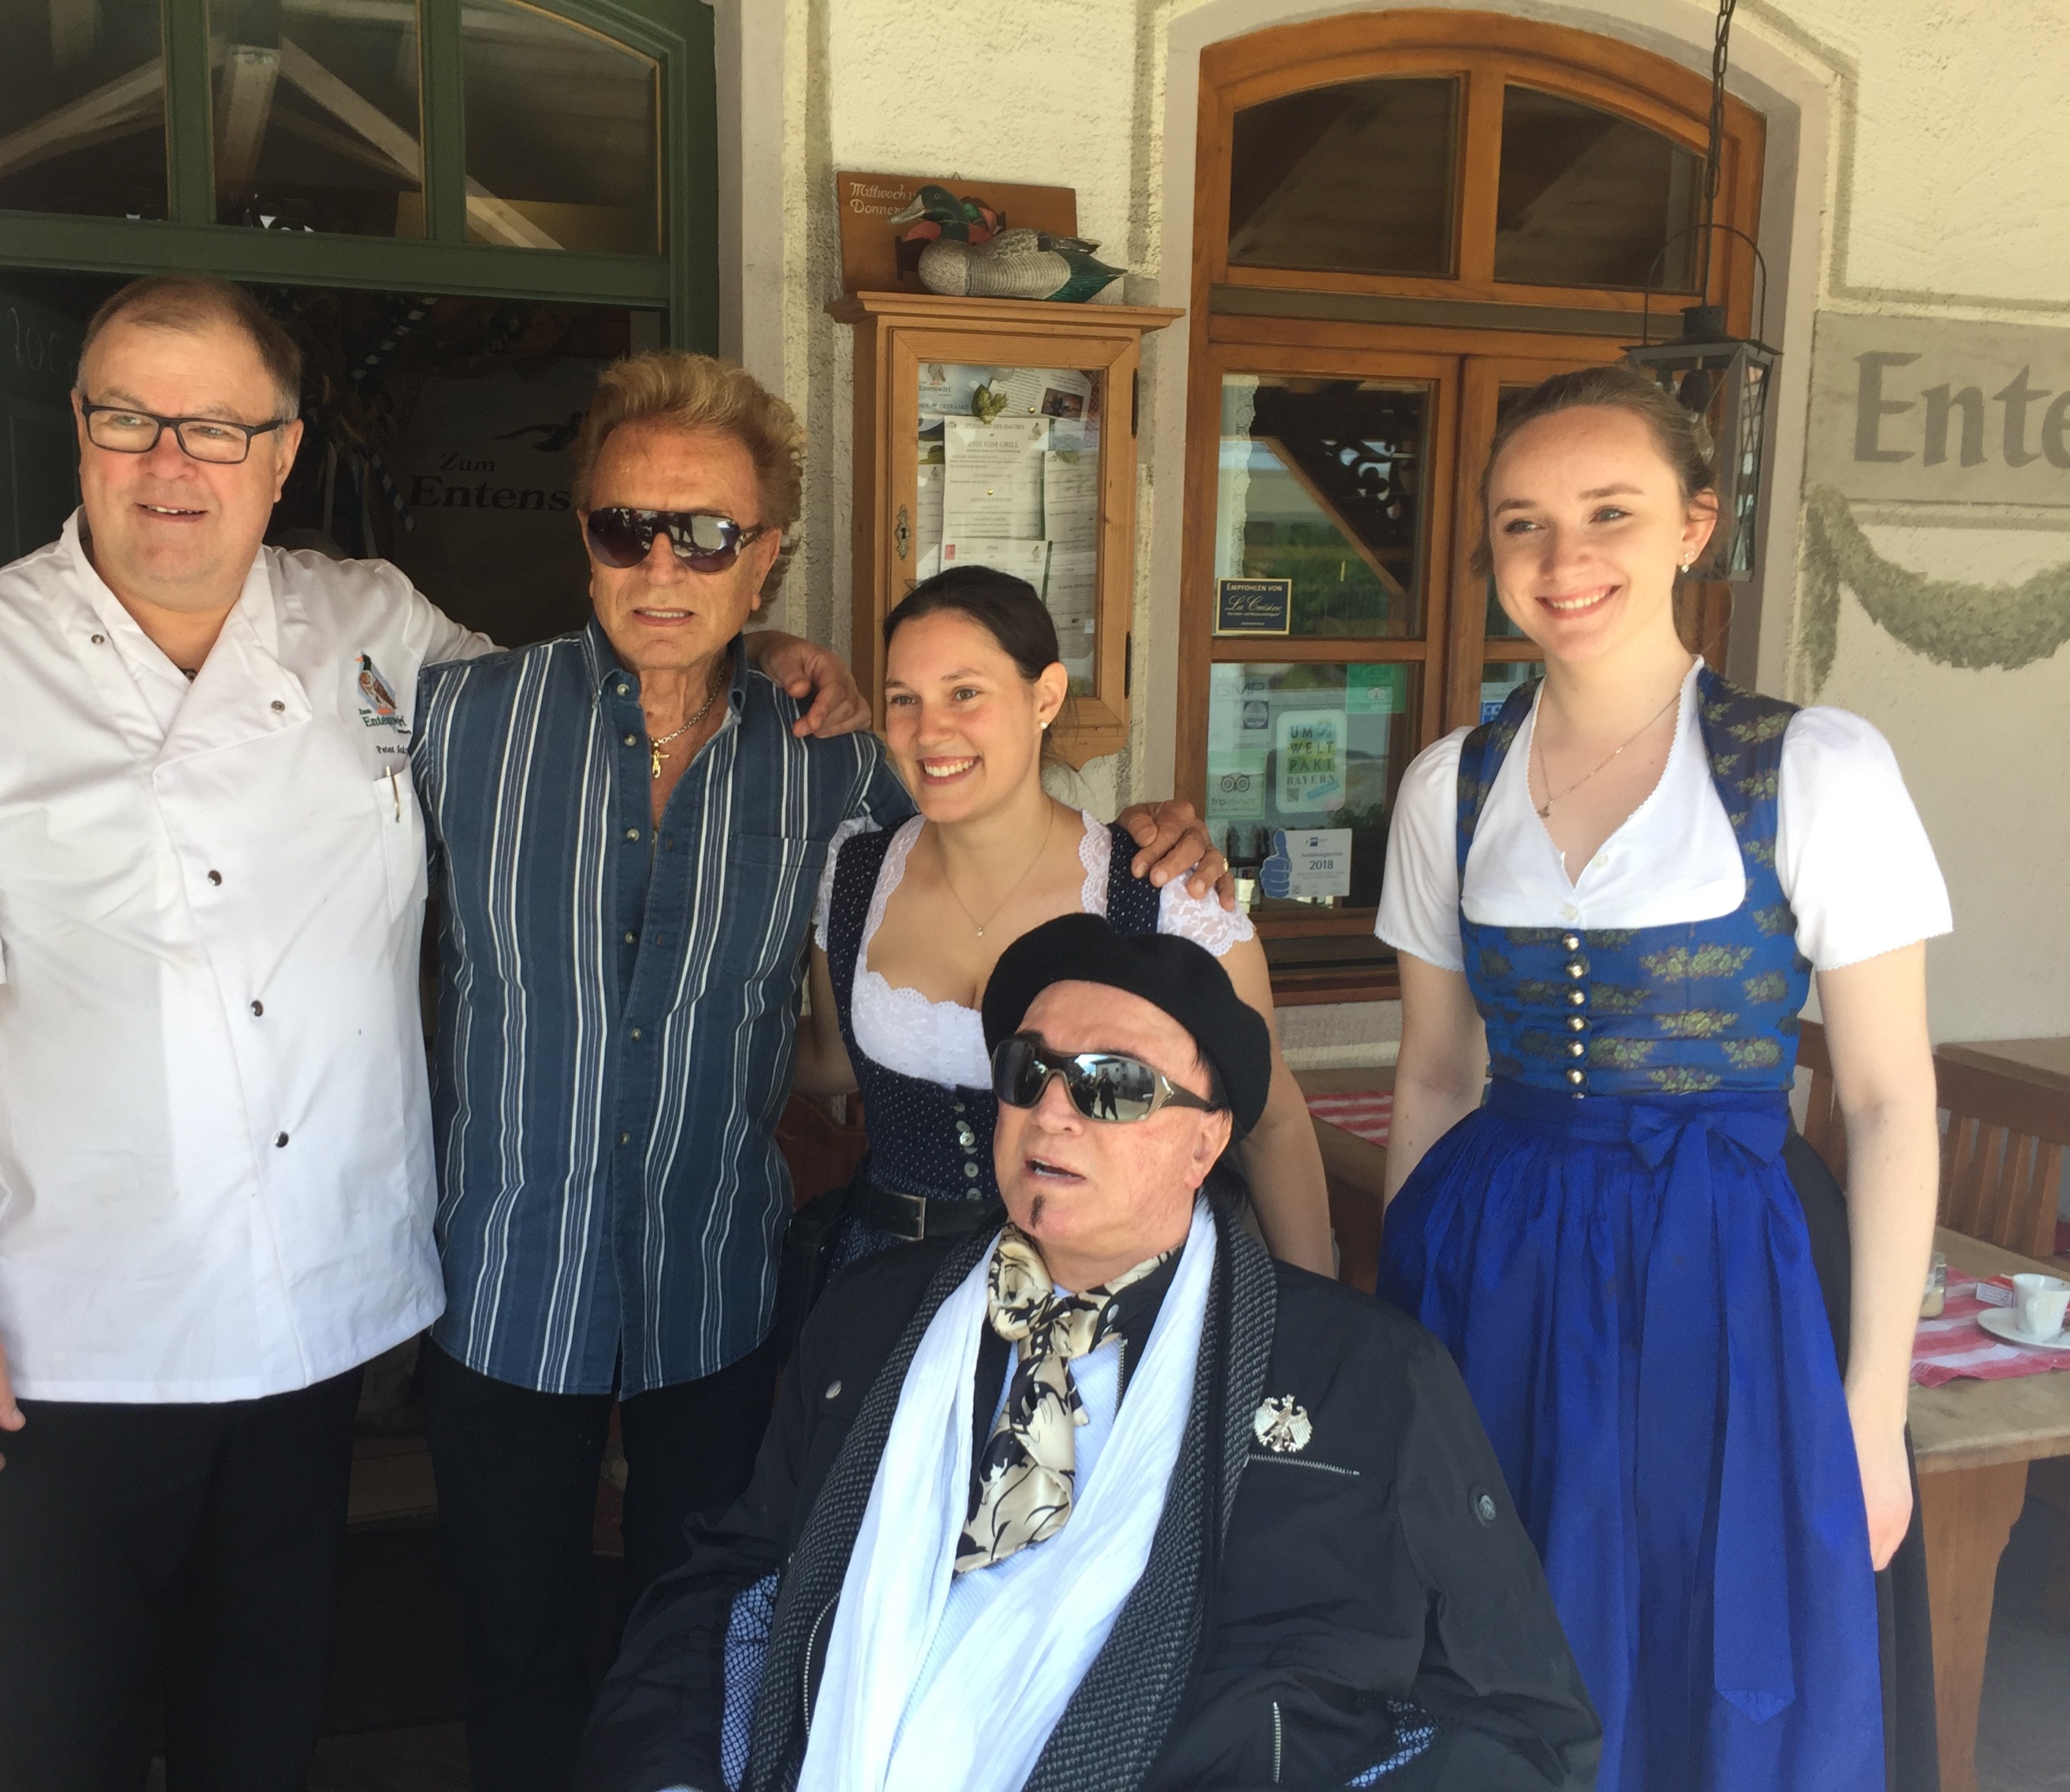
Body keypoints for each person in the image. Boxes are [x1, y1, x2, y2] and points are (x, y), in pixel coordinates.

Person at [0, 275, 862, 1791]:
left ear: (283, 452)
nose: (171, 464)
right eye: (130, 419)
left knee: (271, 1710)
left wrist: (770, 655)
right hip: (78, 1322)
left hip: (319, 1313)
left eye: (217, 428)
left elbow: (633, 693)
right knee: (66, 1727)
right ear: (80, 429)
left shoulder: (372, 626)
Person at [409, 351, 1224, 1792]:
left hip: (717, 1290)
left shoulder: (833, 763)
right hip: (505, 1281)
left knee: (702, 1641)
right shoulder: (460, 720)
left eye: (706, 534)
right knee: (507, 1643)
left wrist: (1154, 836)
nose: (664, 567)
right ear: (583, 537)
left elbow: (998, 821)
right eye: (626, 528)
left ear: (766, 555)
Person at [578, 916, 1602, 1792]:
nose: (1054, 1110)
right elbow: (735, 1583)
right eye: (1029, 1072)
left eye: (1115, 1085)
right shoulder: (873, 1316)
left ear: (1207, 1142)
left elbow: (1516, 1724)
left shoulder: (1365, 1380)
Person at [1374, 365, 1948, 1792]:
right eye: (1521, 523)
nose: (1561, 558)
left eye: (1608, 513)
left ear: (1694, 525)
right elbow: (1433, 1078)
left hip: (1733, 1260)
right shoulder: (1451, 785)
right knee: (1503, 1612)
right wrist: (1395, 1350)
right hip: (1496, 1259)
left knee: (1715, 1614)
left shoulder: (1809, 768)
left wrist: (1867, 1411)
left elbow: (1887, 1100)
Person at [793, 566, 1331, 1274]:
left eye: (964, 693)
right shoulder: (855, 874)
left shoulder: (1161, 890)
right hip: (888, 1279)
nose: (928, 730)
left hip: (1112, 1299)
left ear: (1045, 696)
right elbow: (835, 1060)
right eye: (903, 699)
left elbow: (1271, 1127)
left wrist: (1317, 1312)